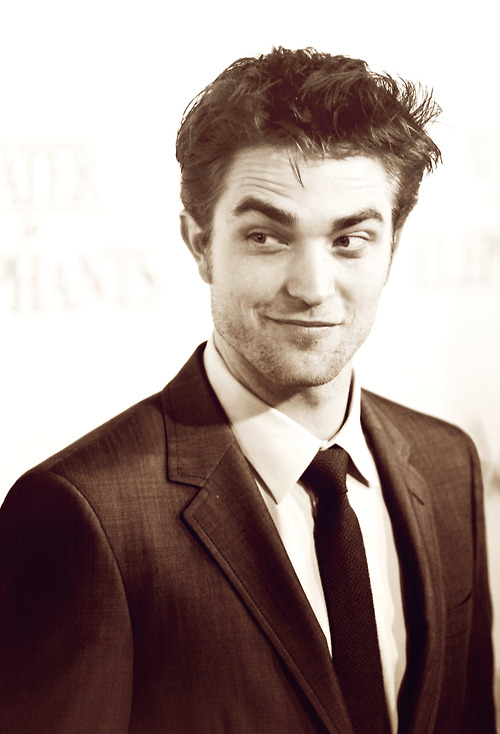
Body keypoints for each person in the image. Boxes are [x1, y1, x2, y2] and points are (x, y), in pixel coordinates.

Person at [0, 47, 495, 734]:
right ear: (199, 243)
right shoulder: (83, 515)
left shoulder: (447, 464)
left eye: (350, 239)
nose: (312, 287)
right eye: (266, 237)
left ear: (392, 246)